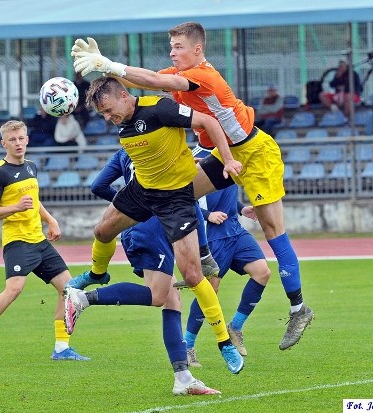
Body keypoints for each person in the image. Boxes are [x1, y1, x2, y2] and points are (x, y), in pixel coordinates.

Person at [71, 21, 314, 351]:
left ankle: (299, 309)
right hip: (225, 151)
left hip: (255, 154)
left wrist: (111, 65)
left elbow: (156, 81)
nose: (172, 51)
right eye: (170, 47)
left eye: (178, 47)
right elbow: (139, 83)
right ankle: (205, 257)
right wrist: (106, 65)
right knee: (182, 194)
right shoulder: (181, 73)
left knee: (274, 232)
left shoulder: (202, 76)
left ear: (197, 50)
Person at [63, 76, 244, 374]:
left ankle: (224, 343)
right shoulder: (124, 121)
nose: (109, 119)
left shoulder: (160, 109)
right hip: (142, 190)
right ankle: (96, 275)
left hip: (175, 199)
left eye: (109, 110)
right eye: (103, 115)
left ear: (124, 95)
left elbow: (210, 123)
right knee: (102, 231)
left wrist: (226, 160)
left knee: (193, 275)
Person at [69, 147, 220, 394]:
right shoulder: (166, 143)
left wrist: (128, 208)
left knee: (173, 299)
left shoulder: (124, 151)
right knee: (159, 295)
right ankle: (83, 298)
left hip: (144, 225)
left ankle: (183, 378)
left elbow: (98, 186)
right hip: (152, 228)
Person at [0, 120, 89, 362]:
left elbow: (34, 200)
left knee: (69, 289)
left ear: (27, 139)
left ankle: (62, 348)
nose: (18, 143)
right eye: (12, 140)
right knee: (14, 289)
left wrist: (51, 220)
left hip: (39, 240)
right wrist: (15, 207)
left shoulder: (31, 167)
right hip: (18, 241)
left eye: (21, 138)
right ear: (4, 143)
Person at [177, 147, 271, 364]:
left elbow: (223, 188)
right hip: (212, 236)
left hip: (235, 230)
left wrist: (240, 209)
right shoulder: (195, 156)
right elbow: (180, 198)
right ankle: (187, 345)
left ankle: (235, 327)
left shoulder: (230, 151)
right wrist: (208, 215)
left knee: (262, 273)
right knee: (210, 289)